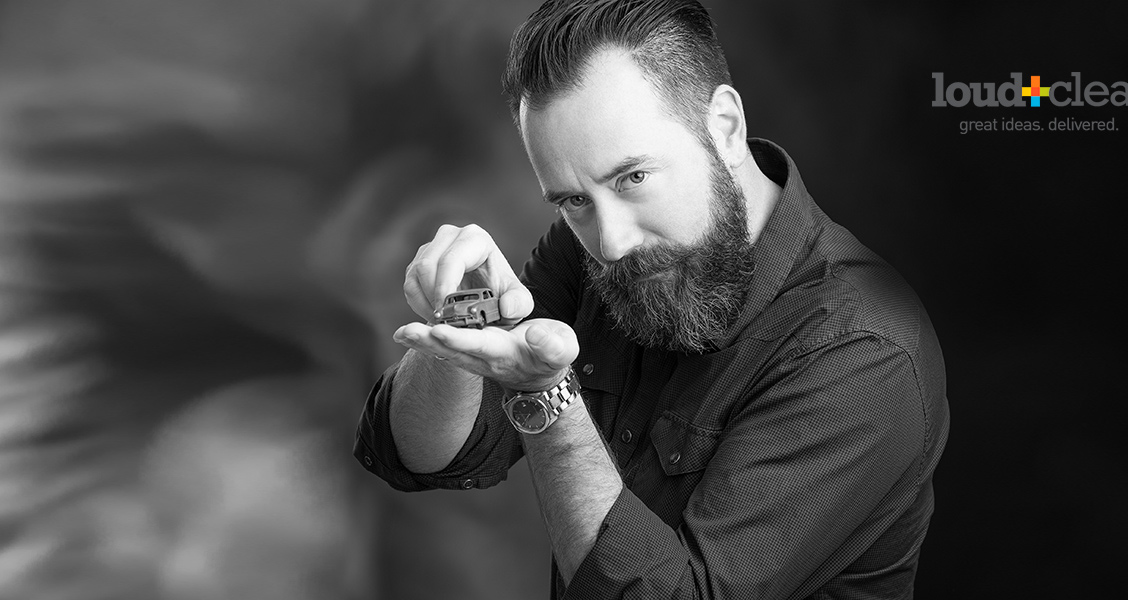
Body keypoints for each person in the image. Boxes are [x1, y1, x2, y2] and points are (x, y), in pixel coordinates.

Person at [353, 0, 950, 597]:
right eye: (571, 200)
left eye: (632, 179)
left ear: (725, 128)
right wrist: (457, 321)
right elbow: (421, 455)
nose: (610, 242)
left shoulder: (866, 351)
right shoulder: (589, 245)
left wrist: (547, 398)